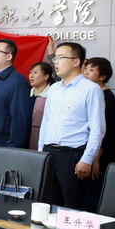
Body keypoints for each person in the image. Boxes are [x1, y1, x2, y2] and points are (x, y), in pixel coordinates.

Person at [38, 42, 105, 211]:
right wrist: (40, 153)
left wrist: (87, 159)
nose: (56, 62)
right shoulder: (54, 88)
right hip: (49, 152)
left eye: (61, 57)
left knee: (72, 207)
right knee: (48, 205)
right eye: (55, 58)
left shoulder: (91, 89)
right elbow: (46, 122)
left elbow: (97, 128)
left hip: (73, 155)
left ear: (76, 61)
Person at [82, 56, 115, 211]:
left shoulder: (107, 97)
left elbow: (105, 131)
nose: (86, 73)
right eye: (86, 69)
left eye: (91, 70)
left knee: (93, 194)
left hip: (98, 155)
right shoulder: (89, 92)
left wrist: (96, 157)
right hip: (88, 151)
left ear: (102, 76)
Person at [28, 62, 53, 150]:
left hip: (42, 137)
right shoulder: (25, 94)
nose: (31, 76)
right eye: (30, 72)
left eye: (35, 72)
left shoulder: (52, 95)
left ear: (46, 76)